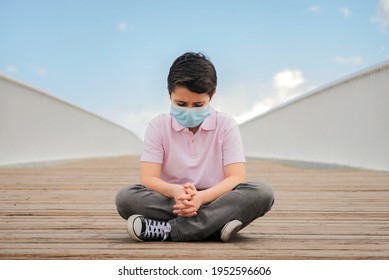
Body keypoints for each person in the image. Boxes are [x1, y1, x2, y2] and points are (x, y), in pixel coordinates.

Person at [115, 52, 274, 242]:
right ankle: (215, 226)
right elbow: (148, 178)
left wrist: (201, 198)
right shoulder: (158, 126)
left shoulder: (226, 124)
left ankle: (167, 230)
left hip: (215, 198)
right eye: (181, 104)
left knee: (262, 193)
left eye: (198, 104)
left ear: (212, 95)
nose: (189, 111)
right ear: (169, 94)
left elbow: (236, 177)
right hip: (174, 200)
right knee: (126, 198)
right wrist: (176, 192)